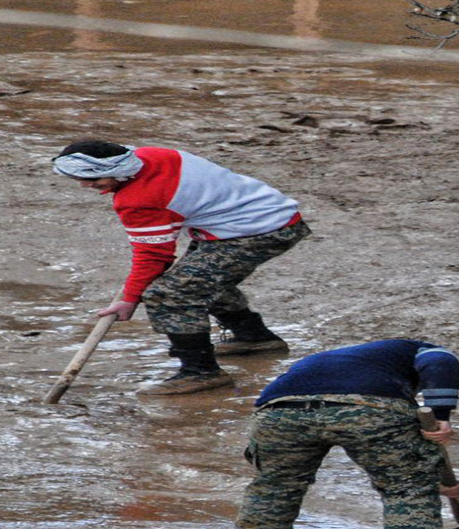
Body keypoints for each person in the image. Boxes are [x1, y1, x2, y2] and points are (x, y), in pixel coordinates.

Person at [51, 141, 310, 395]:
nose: (85, 185)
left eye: (91, 178)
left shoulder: (139, 199)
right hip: (263, 217)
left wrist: (130, 299)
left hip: (258, 230)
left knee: (171, 294)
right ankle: (254, 338)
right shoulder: (148, 155)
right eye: (78, 178)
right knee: (199, 279)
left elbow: (154, 257)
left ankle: (200, 372)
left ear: (117, 169)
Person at [234, 339, 459, 529]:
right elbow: (440, 362)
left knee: (276, 485)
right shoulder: (425, 348)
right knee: (406, 487)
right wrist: (441, 415)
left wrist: (432, 476)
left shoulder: (331, 358)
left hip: (278, 411)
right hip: (367, 407)